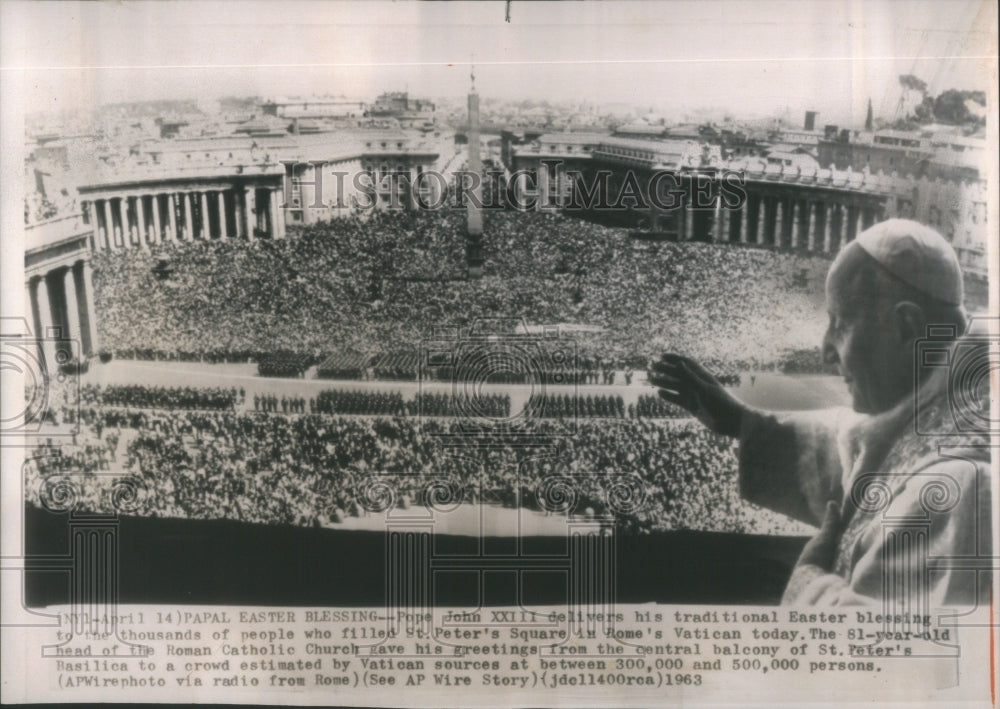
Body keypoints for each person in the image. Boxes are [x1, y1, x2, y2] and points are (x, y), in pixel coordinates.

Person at [650, 219, 992, 606]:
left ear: (906, 325)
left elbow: (878, 654)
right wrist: (741, 422)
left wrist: (809, 580)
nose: (826, 351)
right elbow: (854, 442)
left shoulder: (956, 485)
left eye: (840, 324)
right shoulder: (943, 411)